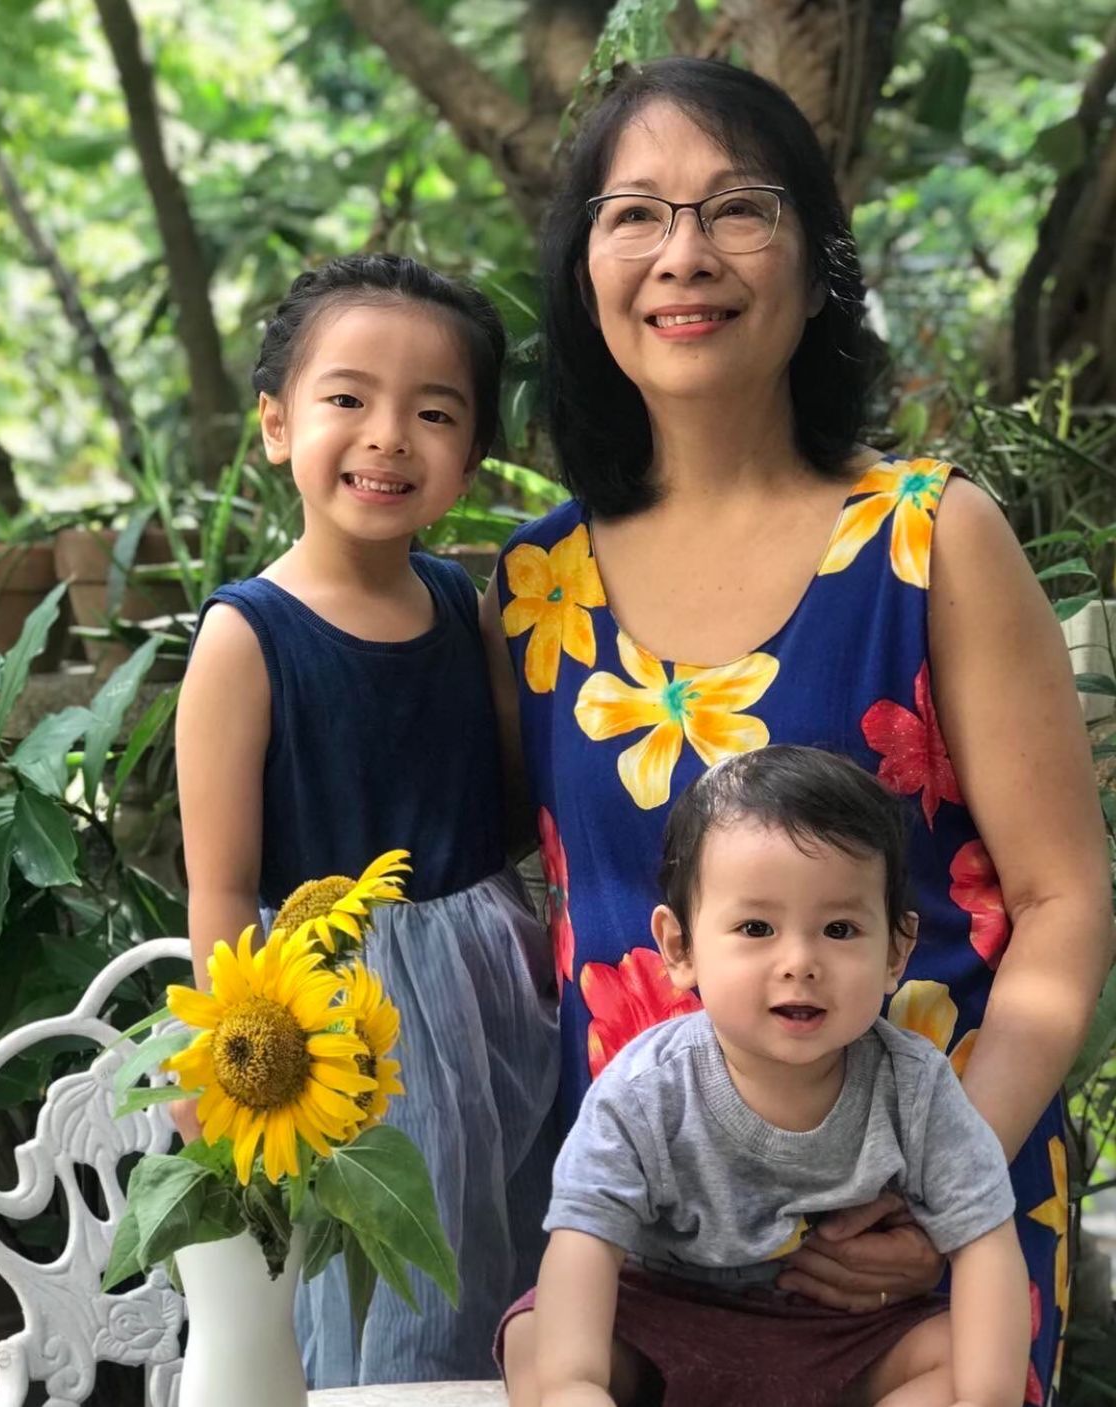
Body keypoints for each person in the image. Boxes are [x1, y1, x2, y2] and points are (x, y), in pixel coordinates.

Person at [481, 57, 1111, 1402]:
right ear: (584, 272)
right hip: (652, 1250)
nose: (684, 255)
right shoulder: (536, 586)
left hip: (928, 1246)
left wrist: (935, 1191)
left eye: (738, 209)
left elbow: (1062, 899)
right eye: (634, 213)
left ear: (820, 269)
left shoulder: (930, 540)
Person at [176, 253, 559, 1386]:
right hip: (351, 1018)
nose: (389, 437)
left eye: (434, 412)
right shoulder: (247, 637)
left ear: (471, 456)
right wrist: (222, 1080)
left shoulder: (460, 603)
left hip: (499, 983)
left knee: (521, 1266)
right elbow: (219, 885)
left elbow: (506, 800)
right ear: (276, 424)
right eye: (348, 397)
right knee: (396, 1286)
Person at [500, 746, 1030, 1407]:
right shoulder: (645, 1090)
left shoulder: (915, 1086)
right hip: (667, 1319)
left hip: (840, 1335)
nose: (799, 961)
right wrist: (575, 1382)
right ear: (680, 947)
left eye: (839, 928)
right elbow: (584, 1240)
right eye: (757, 927)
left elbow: (984, 1240)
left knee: (968, 1354)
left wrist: (986, 1397)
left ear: (896, 951)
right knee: (538, 1337)